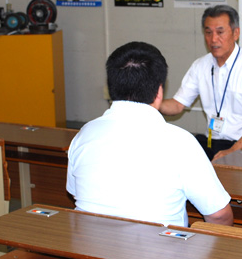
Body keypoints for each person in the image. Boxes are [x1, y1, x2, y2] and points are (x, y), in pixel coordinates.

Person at [67, 41, 233, 228]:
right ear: (159, 91)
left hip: (87, 252)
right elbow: (219, 216)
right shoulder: (181, 142)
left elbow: (75, 194)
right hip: (160, 256)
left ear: (111, 85)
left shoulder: (84, 134)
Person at [159, 5, 242, 161]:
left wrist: (234, 150)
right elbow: (177, 105)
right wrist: (148, 103)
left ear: (236, 33)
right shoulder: (200, 66)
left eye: (220, 32)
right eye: (208, 33)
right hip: (213, 144)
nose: (213, 39)